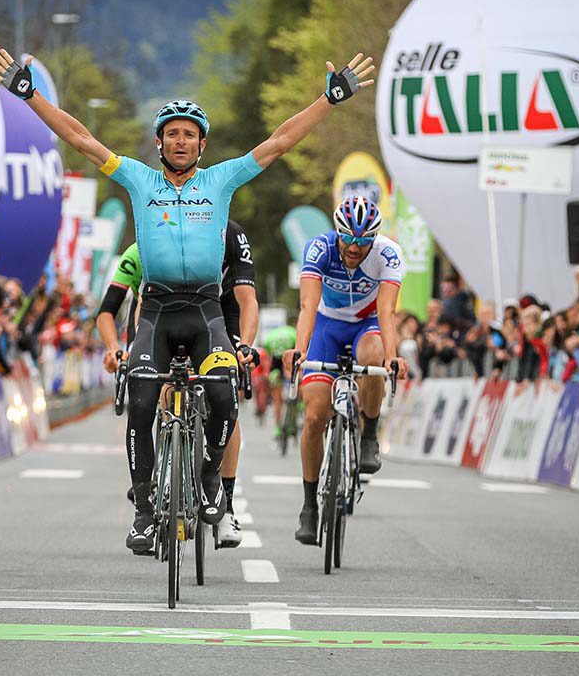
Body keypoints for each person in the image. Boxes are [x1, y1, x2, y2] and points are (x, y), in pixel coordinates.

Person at [0, 46, 376, 553]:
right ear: (158, 142)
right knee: (144, 400)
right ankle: (146, 512)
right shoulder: (136, 177)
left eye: (188, 134)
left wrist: (330, 99)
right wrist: (30, 94)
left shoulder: (221, 181)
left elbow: (280, 141)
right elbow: (79, 137)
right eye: (171, 133)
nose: (179, 140)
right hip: (154, 310)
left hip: (206, 311)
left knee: (221, 395)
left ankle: (212, 480)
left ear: (201, 144)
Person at [97, 219, 260, 548]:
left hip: (219, 311)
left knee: (224, 394)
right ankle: (160, 470)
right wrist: (116, 349)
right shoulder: (143, 247)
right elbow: (109, 309)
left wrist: (245, 344)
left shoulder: (231, 234)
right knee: (154, 388)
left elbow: (247, 299)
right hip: (156, 316)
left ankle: (223, 500)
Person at [284, 197, 406, 545]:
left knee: (374, 354)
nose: (354, 248)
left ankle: (368, 435)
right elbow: (308, 304)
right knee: (313, 418)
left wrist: (392, 358)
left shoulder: (387, 254)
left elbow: (387, 311)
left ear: (374, 238)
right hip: (326, 326)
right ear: (337, 233)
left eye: (363, 241)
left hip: (366, 324)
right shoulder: (319, 248)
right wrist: (300, 349)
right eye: (348, 239)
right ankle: (309, 506)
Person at [261, 322, 298, 439]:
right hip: (290, 360)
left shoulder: (270, 337)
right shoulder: (293, 333)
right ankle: (298, 406)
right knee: (297, 389)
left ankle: (277, 429)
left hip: (275, 364)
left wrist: (268, 374)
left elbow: (267, 359)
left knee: (277, 400)